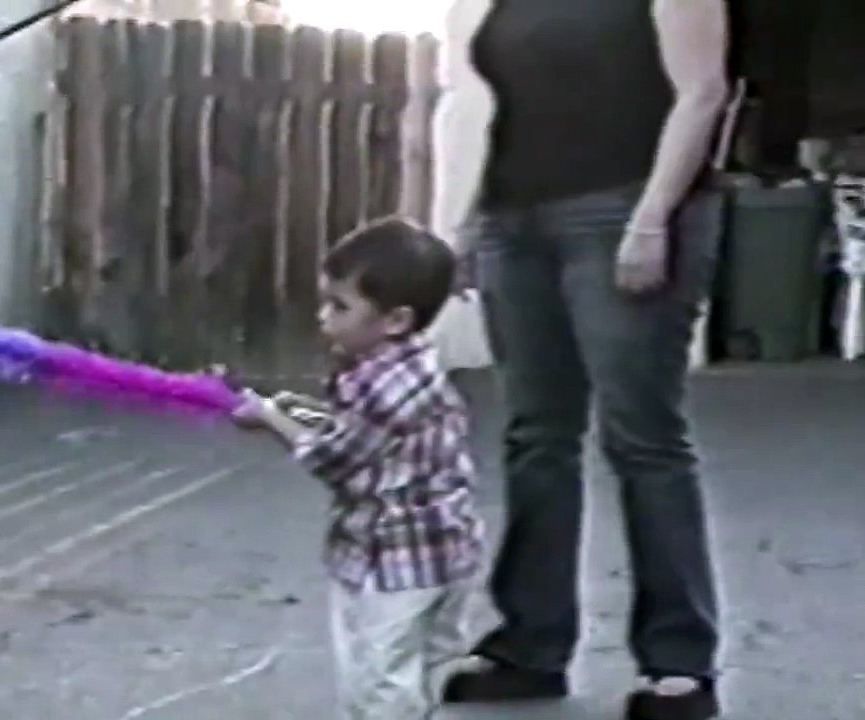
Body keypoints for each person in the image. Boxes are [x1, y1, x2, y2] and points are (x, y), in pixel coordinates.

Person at [435, 1, 731, 719]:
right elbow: (500, 103)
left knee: (642, 437)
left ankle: (679, 664)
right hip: (517, 219)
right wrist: (472, 217)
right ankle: (531, 646)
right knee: (536, 436)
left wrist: (653, 217)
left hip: (623, 210)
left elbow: (703, 93)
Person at [230, 217, 485, 719]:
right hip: (446, 552)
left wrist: (272, 418)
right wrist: (301, 411)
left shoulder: (378, 388)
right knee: (420, 667)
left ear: (395, 320)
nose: (324, 318)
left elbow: (336, 458)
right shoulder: (412, 368)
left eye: (340, 306)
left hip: (393, 560)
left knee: (377, 679)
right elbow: (367, 436)